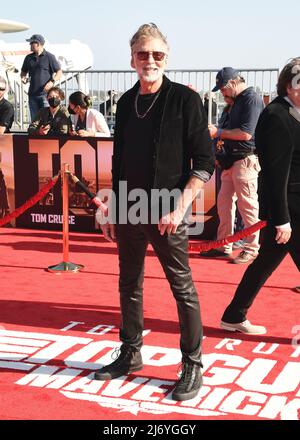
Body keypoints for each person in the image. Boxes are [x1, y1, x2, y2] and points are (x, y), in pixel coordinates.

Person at [93, 23, 214, 402]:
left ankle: (192, 363)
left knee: (182, 287)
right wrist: (113, 207)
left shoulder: (185, 100)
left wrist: (180, 208)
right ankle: (130, 353)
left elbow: (205, 162)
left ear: (167, 57)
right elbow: (120, 164)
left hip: (167, 209)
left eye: (157, 54)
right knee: (128, 283)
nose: (150, 60)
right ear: (132, 59)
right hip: (129, 205)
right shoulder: (126, 103)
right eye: (143, 54)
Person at [220, 57, 300, 334]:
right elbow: (276, 174)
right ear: (290, 87)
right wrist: (281, 219)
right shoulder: (278, 116)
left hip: (289, 209)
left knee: (264, 262)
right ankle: (234, 314)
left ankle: (234, 314)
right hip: (289, 211)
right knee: (264, 261)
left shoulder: (292, 113)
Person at [201, 67, 264, 264]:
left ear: (234, 83)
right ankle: (223, 245)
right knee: (224, 205)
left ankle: (252, 248)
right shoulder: (236, 101)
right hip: (231, 161)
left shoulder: (251, 99)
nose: (222, 93)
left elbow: (246, 134)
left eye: (223, 89)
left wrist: (218, 133)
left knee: (248, 207)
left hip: (245, 160)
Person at [21, 34, 62, 120]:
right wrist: (23, 77)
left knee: (47, 120)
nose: (30, 45)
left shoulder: (49, 57)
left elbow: (59, 72)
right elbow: (23, 72)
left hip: (46, 96)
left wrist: (52, 82)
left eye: (31, 43)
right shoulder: (28, 58)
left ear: (38, 44)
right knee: (35, 121)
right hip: (32, 95)